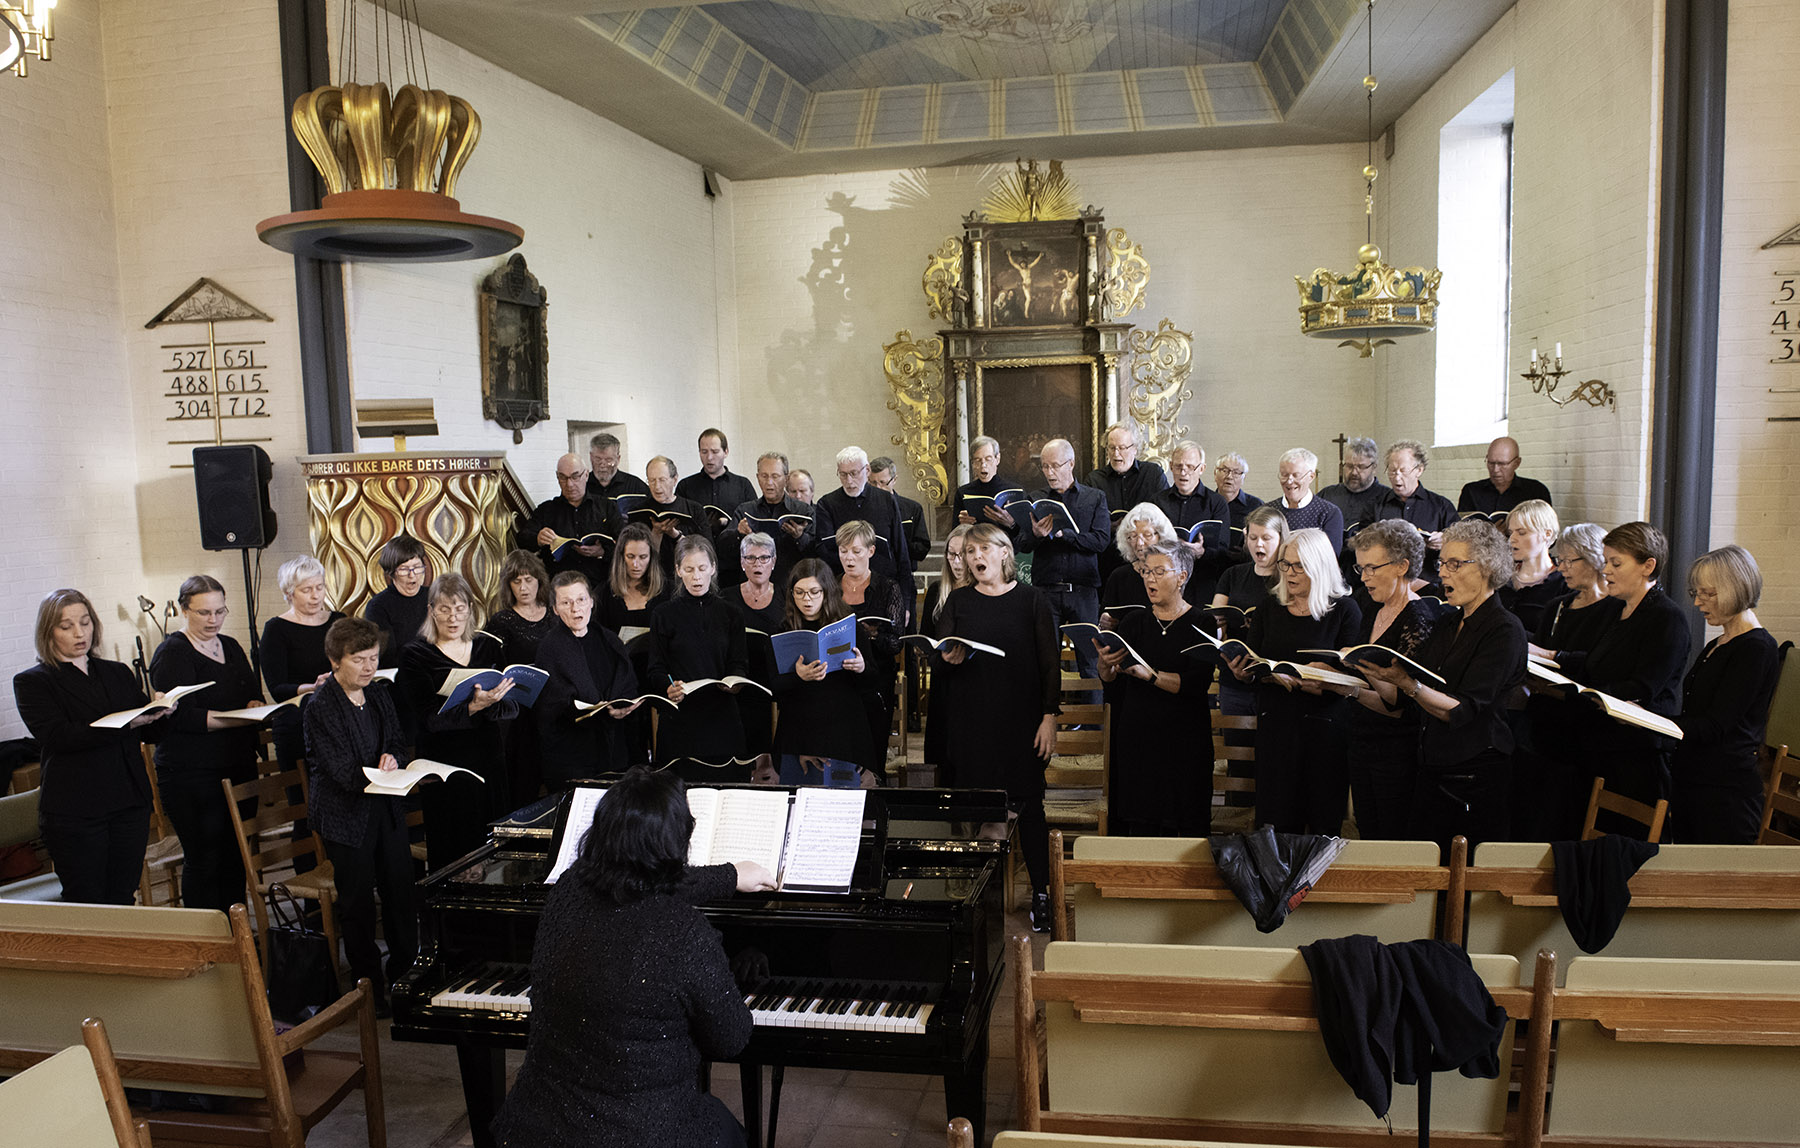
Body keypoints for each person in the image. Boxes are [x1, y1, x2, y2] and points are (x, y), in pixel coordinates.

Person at [491, 767, 775, 1148]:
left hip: (536, 1125)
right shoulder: (682, 931)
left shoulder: (568, 888)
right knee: (731, 1134)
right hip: (644, 1131)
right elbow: (731, 1039)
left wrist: (729, 875)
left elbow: (643, 878)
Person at [1350, 521, 1526, 851]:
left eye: (1455, 564)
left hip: (1475, 773)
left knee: (1460, 877)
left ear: (1486, 566)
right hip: (1433, 766)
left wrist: (1407, 683)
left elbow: (1462, 709)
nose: (1443, 573)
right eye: (1442, 563)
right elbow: (1405, 697)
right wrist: (1375, 675)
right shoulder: (1449, 621)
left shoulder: (1504, 629)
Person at [932, 525, 1060, 930]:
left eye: (983, 548)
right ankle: (976, 899)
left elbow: (1049, 664)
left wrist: (1049, 716)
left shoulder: (1032, 600)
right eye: (969, 551)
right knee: (977, 808)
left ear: (1005, 553)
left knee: (1030, 808)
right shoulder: (958, 600)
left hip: (1021, 721)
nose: (974, 557)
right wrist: (947, 658)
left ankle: (1042, 894)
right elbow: (940, 655)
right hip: (971, 722)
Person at [12, 588, 165, 905]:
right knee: (89, 901)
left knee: (123, 895)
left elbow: (146, 730)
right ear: (48, 632)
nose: (79, 633)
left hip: (129, 802)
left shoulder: (116, 672)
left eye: (85, 622)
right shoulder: (34, 681)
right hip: (77, 811)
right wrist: (127, 723)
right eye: (66, 626)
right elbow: (59, 737)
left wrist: (161, 710)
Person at [303, 617, 416, 1012]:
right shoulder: (320, 706)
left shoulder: (380, 693)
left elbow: (401, 744)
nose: (369, 667)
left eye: (374, 658)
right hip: (345, 816)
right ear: (335, 660)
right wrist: (379, 769)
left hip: (384, 809)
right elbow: (339, 770)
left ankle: (406, 979)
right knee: (358, 906)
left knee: (401, 895)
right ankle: (368, 988)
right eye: (360, 660)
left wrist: (394, 758)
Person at [1229, 528, 1361, 835]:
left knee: (1321, 824)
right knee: (1274, 824)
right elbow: (1256, 659)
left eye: (1298, 566)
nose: (1289, 572)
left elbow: (1355, 675)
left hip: (1325, 730)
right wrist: (1245, 671)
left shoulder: (1344, 610)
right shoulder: (1269, 607)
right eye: (1285, 564)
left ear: (1319, 565)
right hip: (1277, 727)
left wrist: (1322, 678)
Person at [1556, 522, 1692, 820]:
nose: (1606, 571)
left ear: (1648, 566)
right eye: (1605, 562)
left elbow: (1643, 688)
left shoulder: (1667, 618)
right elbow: (1594, 662)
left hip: (1638, 752)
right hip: (1601, 743)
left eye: (1616, 563)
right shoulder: (1614, 609)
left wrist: (1587, 694)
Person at [150, 575, 263, 912]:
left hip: (237, 764)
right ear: (185, 611)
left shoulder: (230, 646)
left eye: (220, 611)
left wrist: (255, 706)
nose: (213, 620)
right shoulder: (172, 652)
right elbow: (180, 716)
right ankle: (209, 940)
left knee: (234, 854)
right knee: (205, 857)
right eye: (204, 613)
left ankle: (236, 934)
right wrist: (234, 718)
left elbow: (252, 693)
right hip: (191, 773)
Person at [396, 573, 519, 870]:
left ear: (470, 610)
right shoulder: (415, 655)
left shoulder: (487, 648)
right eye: (444, 609)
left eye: (460, 609)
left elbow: (511, 710)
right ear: (431, 611)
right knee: (454, 855)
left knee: (494, 856)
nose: (453, 618)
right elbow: (427, 720)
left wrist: (491, 703)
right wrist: (472, 708)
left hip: (488, 761)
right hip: (445, 769)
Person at [1096, 542, 1214, 837]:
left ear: (1182, 576)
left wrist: (1151, 676)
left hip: (1184, 741)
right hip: (1138, 739)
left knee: (1184, 825)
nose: (1149, 578)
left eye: (1159, 572)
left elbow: (1196, 684)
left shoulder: (1203, 622)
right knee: (1139, 825)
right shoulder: (1135, 621)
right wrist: (1105, 664)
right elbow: (1111, 681)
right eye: (1146, 571)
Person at [1671, 545, 1781, 843]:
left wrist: (1657, 723)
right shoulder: (1718, 643)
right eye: (1697, 593)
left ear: (1734, 588)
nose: (1697, 602)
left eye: (1707, 594)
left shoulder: (1756, 648)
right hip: (1695, 779)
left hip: (1724, 792)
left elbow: (1718, 724)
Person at [1333, 520, 1436, 840]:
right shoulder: (1369, 603)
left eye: (1372, 568)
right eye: (1360, 568)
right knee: (1367, 828)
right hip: (1361, 737)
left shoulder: (1418, 618)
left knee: (1391, 835)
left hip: (1397, 749)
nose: (1364, 577)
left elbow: (1399, 704)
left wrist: (1355, 681)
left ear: (1402, 566)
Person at [1525, 523, 1622, 838]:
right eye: (1560, 559)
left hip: (1582, 728)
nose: (1562, 567)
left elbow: (1600, 664)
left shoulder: (1614, 609)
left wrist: (1554, 657)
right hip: (1543, 723)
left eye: (1570, 560)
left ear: (1594, 559)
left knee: (1568, 817)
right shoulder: (1558, 606)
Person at [650, 536, 751, 777]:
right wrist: (668, 687)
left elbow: (739, 663)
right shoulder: (663, 614)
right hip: (680, 720)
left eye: (702, 568)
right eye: (689, 569)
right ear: (678, 571)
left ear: (713, 568)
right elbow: (655, 668)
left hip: (722, 719)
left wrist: (735, 681)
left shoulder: (731, 613)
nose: (696, 576)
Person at [1014, 437, 1110, 690]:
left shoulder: (1094, 497)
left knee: (1090, 663)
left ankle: (1093, 725)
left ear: (1071, 463)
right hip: (1046, 590)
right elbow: (1023, 545)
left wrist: (1065, 535)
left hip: (1083, 591)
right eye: (1045, 467)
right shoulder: (1036, 498)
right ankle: (1048, 721)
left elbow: (1101, 541)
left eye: (1055, 466)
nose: (1050, 473)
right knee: (1046, 661)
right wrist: (1036, 535)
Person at [771, 559, 876, 784]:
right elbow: (772, 687)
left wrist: (861, 667)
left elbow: (873, 682)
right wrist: (797, 677)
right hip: (799, 736)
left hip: (843, 733)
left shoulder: (850, 625)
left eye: (813, 592)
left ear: (827, 591)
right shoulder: (783, 630)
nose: (806, 599)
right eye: (799, 593)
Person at [1210, 505, 1289, 805]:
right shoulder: (1233, 574)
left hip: (1272, 680)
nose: (1258, 545)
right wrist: (1220, 622)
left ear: (1281, 538)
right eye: (1253, 537)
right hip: (1234, 676)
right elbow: (1216, 615)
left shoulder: (1288, 576)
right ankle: (1235, 825)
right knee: (1238, 759)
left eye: (1266, 538)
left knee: (1272, 759)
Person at [537, 573, 641, 789]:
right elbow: (551, 705)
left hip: (614, 749)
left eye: (581, 600)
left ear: (592, 602)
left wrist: (623, 705)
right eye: (566, 602)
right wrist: (600, 711)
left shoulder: (608, 638)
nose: (576, 609)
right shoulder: (550, 648)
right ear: (555, 609)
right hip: (573, 755)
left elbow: (627, 681)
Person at [837, 519, 909, 775]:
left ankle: (871, 804)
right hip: (838, 679)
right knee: (838, 749)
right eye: (843, 551)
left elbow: (895, 644)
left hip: (876, 679)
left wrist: (871, 637)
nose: (849, 558)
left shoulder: (888, 588)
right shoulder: (831, 587)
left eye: (856, 551)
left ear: (871, 551)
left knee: (870, 752)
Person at [259, 556, 344, 771]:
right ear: (289, 593)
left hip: (339, 720)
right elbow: (277, 689)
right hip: (298, 724)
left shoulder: (338, 621)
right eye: (306, 590)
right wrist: (312, 688)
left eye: (320, 587)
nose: (315, 596)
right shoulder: (276, 629)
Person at [487, 549, 555, 807]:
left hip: (552, 706)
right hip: (519, 712)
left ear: (540, 581)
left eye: (529, 580)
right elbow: (496, 668)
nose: (524, 587)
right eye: (517, 581)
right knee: (522, 781)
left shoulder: (554, 614)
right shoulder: (502, 620)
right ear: (509, 585)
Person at [812, 445, 913, 588]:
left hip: (883, 584)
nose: (849, 480)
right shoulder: (827, 504)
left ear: (867, 470)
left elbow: (900, 549)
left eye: (854, 473)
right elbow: (823, 549)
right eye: (843, 474)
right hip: (843, 586)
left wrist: (907, 597)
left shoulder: (886, 500)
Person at [1148, 439, 1231, 602]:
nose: (1183, 472)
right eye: (1178, 466)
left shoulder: (1216, 503)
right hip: (1165, 580)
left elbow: (1223, 550)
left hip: (1202, 580)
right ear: (1171, 467)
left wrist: (1201, 552)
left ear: (1202, 469)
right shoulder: (1157, 502)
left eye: (1190, 467)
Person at [1086, 423, 1170, 581]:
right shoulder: (1094, 480)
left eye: (1122, 448)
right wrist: (1112, 526)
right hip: (1107, 562)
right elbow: (1087, 525)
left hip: (1149, 562)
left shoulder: (1153, 474)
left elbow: (1165, 517)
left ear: (1135, 448)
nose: (1116, 454)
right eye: (1111, 448)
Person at [921, 524, 974, 775]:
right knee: (944, 749)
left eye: (962, 554)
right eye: (951, 555)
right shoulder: (936, 591)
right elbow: (926, 639)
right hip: (943, 676)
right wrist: (938, 655)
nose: (956, 561)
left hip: (974, 677)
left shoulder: (982, 592)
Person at [721, 451, 814, 590]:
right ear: (758, 478)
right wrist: (738, 534)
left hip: (791, 587)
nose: (769, 482)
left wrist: (799, 537)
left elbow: (817, 552)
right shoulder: (745, 510)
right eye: (764, 476)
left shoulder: (803, 511)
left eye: (775, 476)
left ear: (786, 479)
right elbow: (723, 547)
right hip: (752, 587)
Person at [525, 454, 620, 589]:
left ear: (586, 475)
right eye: (563, 478)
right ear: (557, 478)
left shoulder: (606, 506)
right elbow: (522, 538)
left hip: (600, 585)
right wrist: (538, 538)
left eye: (575, 477)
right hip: (558, 587)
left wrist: (603, 552)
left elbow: (624, 543)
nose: (569, 484)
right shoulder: (547, 510)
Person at [729, 532, 786, 759]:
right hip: (739, 680)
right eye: (750, 558)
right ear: (742, 563)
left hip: (774, 677)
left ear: (773, 561)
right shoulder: (726, 597)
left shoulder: (786, 596)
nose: (757, 564)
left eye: (764, 558)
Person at [1374, 440, 1459, 582]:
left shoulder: (1441, 506)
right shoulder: (1376, 505)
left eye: (1403, 470)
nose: (1396, 477)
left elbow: (1462, 545)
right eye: (1392, 470)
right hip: (1387, 582)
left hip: (1428, 582)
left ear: (1419, 470)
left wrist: (1445, 542)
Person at [363, 535, 431, 669]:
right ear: (392, 572)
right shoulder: (378, 606)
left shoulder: (434, 597)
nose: (412, 575)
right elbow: (387, 656)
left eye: (417, 567)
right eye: (404, 569)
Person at [1319, 437, 1389, 565]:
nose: (1354, 472)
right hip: (1328, 566)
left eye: (1361, 467)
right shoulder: (1328, 494)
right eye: (1349, 466)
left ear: (1374, 468)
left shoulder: (1387, 498)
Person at [1100, 502, 1178, 617]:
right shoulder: (1119, 576)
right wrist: (1105, 621)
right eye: (1133, 536)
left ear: (1161, 536)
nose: (1139, 543)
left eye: (1147, 535)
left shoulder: (1174, 573)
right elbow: (1105, 615)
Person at [1498, 500, 1565, 633]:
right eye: (1511, 532)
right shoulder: (1501, 577)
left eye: (1522, 532)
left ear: (1547, 534)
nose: (1512, 539)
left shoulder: (1562, 583)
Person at [676, 427, 757, 534]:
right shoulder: (685, 486)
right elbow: (679, 524)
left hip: (733, 547)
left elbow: (754, 521)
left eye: (715, 452)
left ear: (726, 452)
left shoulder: (742, 485)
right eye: (704, 452)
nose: (709, 457)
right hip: (698, 547)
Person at [1275, 447, 1345, 554]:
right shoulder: (1268, 511)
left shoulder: (1328, 513)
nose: (1289, 481)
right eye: (1284, 475)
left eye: (1296, 475)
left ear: (1311, 476)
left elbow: (1330, 557)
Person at [1458, 436, 1553, 513]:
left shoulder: (1536, 491)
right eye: (1491, 463)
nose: (1495, 470)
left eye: (1502, 464)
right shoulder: (1471, 491)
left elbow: (1546, 529)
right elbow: (1461, 530)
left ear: (1517, 463)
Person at [870, 456, 932, 566]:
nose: (878, 488)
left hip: (902, 571)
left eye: (883, 482)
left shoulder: (912, 508)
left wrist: (899, 542)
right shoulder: (864, 507)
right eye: (873, 483)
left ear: (894, 479)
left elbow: (922, 549)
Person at [955, 435, 1019, 531]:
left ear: (997, 459)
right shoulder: (963, 492)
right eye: (978, 460)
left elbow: (1025, 537)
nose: (983, 465)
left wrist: (1011, 524)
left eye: (988, 459)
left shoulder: (1015, 491)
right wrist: (962, 525)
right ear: (972, 463)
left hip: (1005, 544)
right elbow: (954, 535)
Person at [585, 431, 651, 506]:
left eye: (608, 460)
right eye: (598, 459)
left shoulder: (636, 486)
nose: (603, 465)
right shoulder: (582, 485)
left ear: (618, 459)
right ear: (591, 457)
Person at [1213, 452, 1265, 534]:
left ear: (1243, 478)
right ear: (1215, 474)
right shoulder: (1205, 503)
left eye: (1236, 472)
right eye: (1224, 470)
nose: (1229, 476)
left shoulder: (1256, 506)